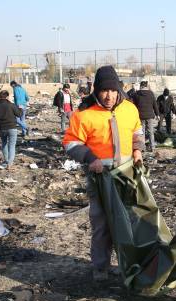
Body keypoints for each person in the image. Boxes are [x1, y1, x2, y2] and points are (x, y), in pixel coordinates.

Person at [62, 66, 144, 281]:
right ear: (96, 91)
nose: (109, 96)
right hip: (100, 178)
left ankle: (128, 264)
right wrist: (90, 158)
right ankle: (100, 266)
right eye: (104, 91)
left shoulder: (129, 108)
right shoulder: (84, 114)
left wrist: (137, 150)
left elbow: (137, 132)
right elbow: (70, 143)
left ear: (119, 90)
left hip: (126, 175)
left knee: (128, 222)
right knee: (102, 224)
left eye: (113, 90)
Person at [0, 90, 22, 169]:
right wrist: (20, 108)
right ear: (7, 97)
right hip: (12, 128)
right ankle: (9, 163)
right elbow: (19, 114)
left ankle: (6, 160)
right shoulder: (11, 105)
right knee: (12, 145)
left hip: (2, 129)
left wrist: (0, 125)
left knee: (4, 144)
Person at [133, 81, 159, 151]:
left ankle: (143, 148)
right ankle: (152, 147)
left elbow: (134, 106)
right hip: (150, 115)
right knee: (151, 131)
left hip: (140, 116)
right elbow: (155, 105)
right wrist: (157, 114)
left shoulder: (136, 94)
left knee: (142, 132)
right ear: (146, 86)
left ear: (141, 86)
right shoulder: (151, 93)